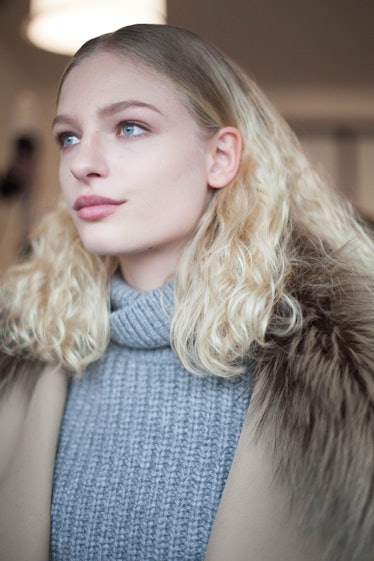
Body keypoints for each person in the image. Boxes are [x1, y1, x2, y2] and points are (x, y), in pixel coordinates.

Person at [0, 23, 373, 561]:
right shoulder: (29, 351)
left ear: (220, 157)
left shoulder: (337, 375)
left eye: (129, 127)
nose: (82, 163)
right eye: (69, 136)